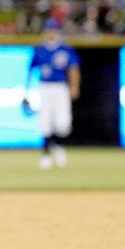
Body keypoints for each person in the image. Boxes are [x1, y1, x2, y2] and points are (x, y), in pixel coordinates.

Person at [23, 18, 80, 169]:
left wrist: (75, 86)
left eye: (53, 29)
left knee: (63, 123)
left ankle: (59, 147)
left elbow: (73, 69)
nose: (51, 32)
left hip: (61, 87)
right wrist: (27, 90)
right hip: (45, 86)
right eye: (49, 29)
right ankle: (46, 154)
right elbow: (31, 70)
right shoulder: (40, 49)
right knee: (45, 121)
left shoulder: (65, 49)